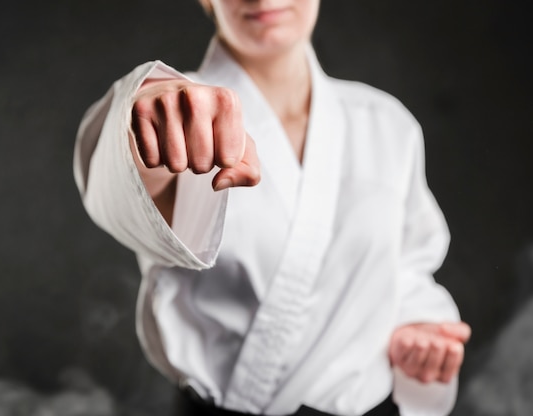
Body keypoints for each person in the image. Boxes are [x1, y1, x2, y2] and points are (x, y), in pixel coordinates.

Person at [73, 1, 471, 415]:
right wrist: (146, 120)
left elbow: (405, 267)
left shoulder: (386, 124)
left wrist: (417, 327)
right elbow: (121, 184)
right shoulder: (183, 110)